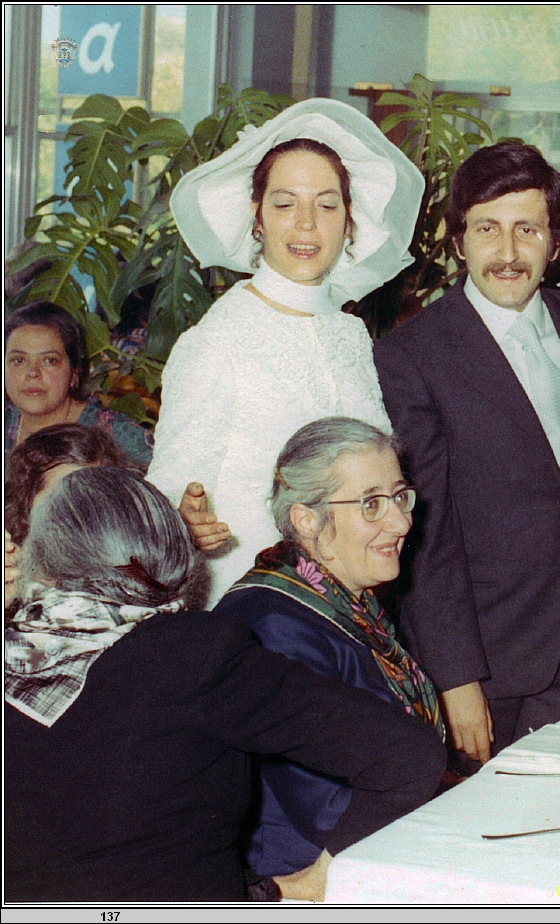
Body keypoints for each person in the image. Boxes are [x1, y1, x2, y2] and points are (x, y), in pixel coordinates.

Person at [4, 467, 444, 901]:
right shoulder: (192, 654)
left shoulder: (14, 651)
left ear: (43, 561)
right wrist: (310, 883)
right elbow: (410, 756)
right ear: (167, 550)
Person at [375, 141, 560, 762]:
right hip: (486, 666)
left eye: (527, 229)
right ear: (459, 241)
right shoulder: (412, 356)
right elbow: (423, 531)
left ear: (555, 243)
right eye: (487, 229)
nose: (508, 253)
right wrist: (456, 678)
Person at [148, 97, 423, 607]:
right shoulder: (217, 339)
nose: (306, 224)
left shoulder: (350, 335)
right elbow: (167, 492)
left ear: (349, 220)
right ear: (256, 217)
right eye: (284, 203)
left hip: (346, 607)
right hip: (249, 607)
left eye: (326, 204)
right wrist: (183, 519)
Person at [213, 418, 442, 897]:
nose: (401, 522)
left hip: (368, 848)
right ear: (306, 519)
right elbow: (324, 805)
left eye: (400, 496)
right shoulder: (274, 624)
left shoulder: (343, 599)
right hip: (306, 878)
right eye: (371, 504)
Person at [4, 301, 153, 468]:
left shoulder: (118, 437)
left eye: (50, 360)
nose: (32, 373)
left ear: (74, 373)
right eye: (18, 360)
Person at [4, 424, 128, 610]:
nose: (73, 515)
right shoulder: (13, 561)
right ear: (27, 504)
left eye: (90, 502)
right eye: (59, 500)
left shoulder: (130, 570)